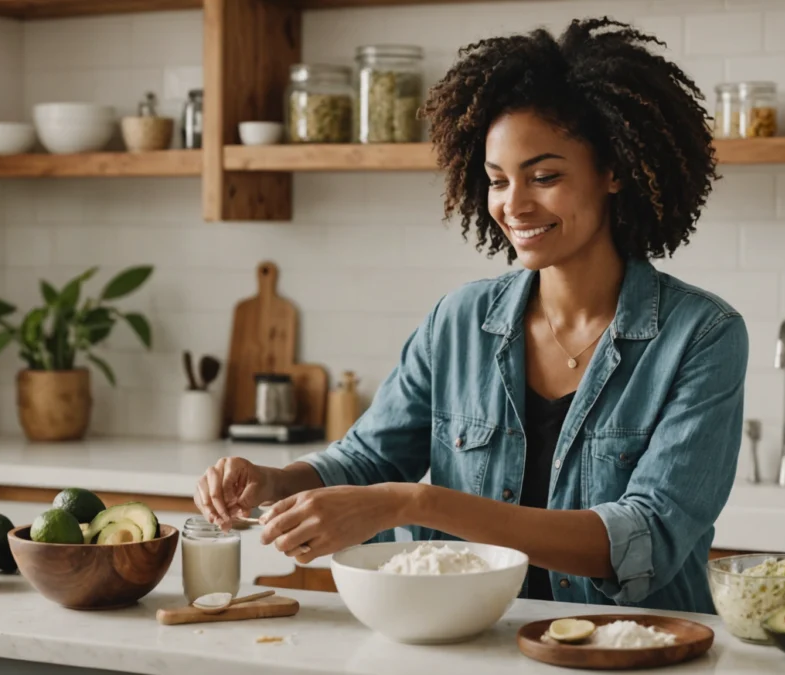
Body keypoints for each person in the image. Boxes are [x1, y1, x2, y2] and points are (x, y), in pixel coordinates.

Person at [195, 17, 748, 613]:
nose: (514, 205)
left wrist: (415, 503)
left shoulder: (702, 335)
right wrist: (273, 482)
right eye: (497, 180)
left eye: (545, 176)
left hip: (631, 648)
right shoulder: (457, 322)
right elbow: (366, 460)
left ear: (614, 170)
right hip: (470, 643)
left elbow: (645, 539)